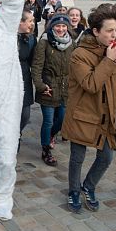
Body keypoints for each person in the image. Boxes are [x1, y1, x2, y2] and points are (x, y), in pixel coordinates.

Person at [62, 8, 116, 213]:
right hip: (83, 115)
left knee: (106, 157)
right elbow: (91, 84)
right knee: (77, 157)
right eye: (109, 31)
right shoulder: (80, 54)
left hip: (105, 116)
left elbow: (114, 83)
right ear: (96, 31)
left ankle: (88, 186)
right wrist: (109, 60)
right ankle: (73, 190)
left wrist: (115, 107)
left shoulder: (114, 50)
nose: (114, 35)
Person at [32, 14, 76, 166]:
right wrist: (40, 85)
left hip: (65, 87)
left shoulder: (71, 43)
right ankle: (46, 150)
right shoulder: (44, 42)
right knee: (49, 120)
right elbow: (37, 66)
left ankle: (50, 136)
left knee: (63, 119)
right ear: (52, 26)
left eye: (64, 26)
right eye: (58, 26)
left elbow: (75, 65)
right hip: (49, 87)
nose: (61, 29)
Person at [18, 9, 36, 145]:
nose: (32, 24)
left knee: (25, 115)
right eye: (30, 21)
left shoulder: (31, 39)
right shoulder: (6, 37)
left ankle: (16, 133)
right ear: (20, 22)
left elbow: (34, 61)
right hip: (8, 80)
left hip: (24, 78)